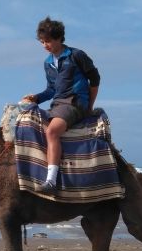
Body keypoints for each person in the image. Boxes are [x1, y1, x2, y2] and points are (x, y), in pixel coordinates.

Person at [21, 17, 100, 193]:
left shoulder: (76, 55)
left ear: (58, 38)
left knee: (51, 131)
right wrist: (35, 98)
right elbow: (51, 90)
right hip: (58, 104)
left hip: (75, 102)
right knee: (28, 122)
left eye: (48, 41)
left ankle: (51, 182)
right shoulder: (47, 63)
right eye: (42, 42)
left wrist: (88, 106)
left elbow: (95, 79)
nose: (44, 45)